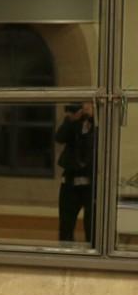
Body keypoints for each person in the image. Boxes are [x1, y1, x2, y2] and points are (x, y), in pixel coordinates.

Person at [56, 101, 95, 243]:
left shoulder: (102, 123)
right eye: (84, 104)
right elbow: (59, 138)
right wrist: (70, 120)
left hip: (92, 184)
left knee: (92, 226)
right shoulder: (74, 123)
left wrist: (93, 119)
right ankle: (65, 251)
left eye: (89, 104)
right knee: (66, 224)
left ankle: (93, 252)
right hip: (70, 181)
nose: (85, 108)